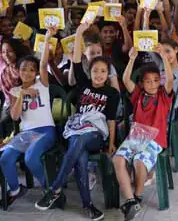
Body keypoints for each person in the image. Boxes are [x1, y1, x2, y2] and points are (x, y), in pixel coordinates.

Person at [35, 22, 119, 221]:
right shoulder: (83, 83)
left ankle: (55, 189)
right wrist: (80, 32)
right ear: (89, 72)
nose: (98, 75)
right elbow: (76, 59)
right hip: (78, 128)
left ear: (108, 74)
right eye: (95, 71)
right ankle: (88, 206)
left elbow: (112, 120)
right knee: (79, 153)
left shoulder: (112, 93)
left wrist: (112, 142)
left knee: (80, 141)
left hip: (96, 133)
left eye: (103, 72)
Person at [115, 46, 174, 220]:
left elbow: (170, 80)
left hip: (155, 140)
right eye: (148, 81)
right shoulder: (138, 95)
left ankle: (138, 196)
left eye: (156, 80)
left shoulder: (164, 96)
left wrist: (163, 57)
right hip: (136, 137)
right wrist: (132, 59)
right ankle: (130, 200)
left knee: (140, 161)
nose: (153, 84)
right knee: (118, 159)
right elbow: (126, 79)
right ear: (142, 83)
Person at [0, 29, 57, 205]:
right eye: (24, 69)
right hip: (25, 133)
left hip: (46, 131)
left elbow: (43, 63)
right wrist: (23, 94)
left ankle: (51, 190)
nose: (28, 73)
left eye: (32, 70)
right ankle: (16, 189)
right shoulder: (15, 90)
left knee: (31, 158)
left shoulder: (42, 84)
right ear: (18, 70)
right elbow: (16, 116)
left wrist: (47, 37)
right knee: (5, 158)